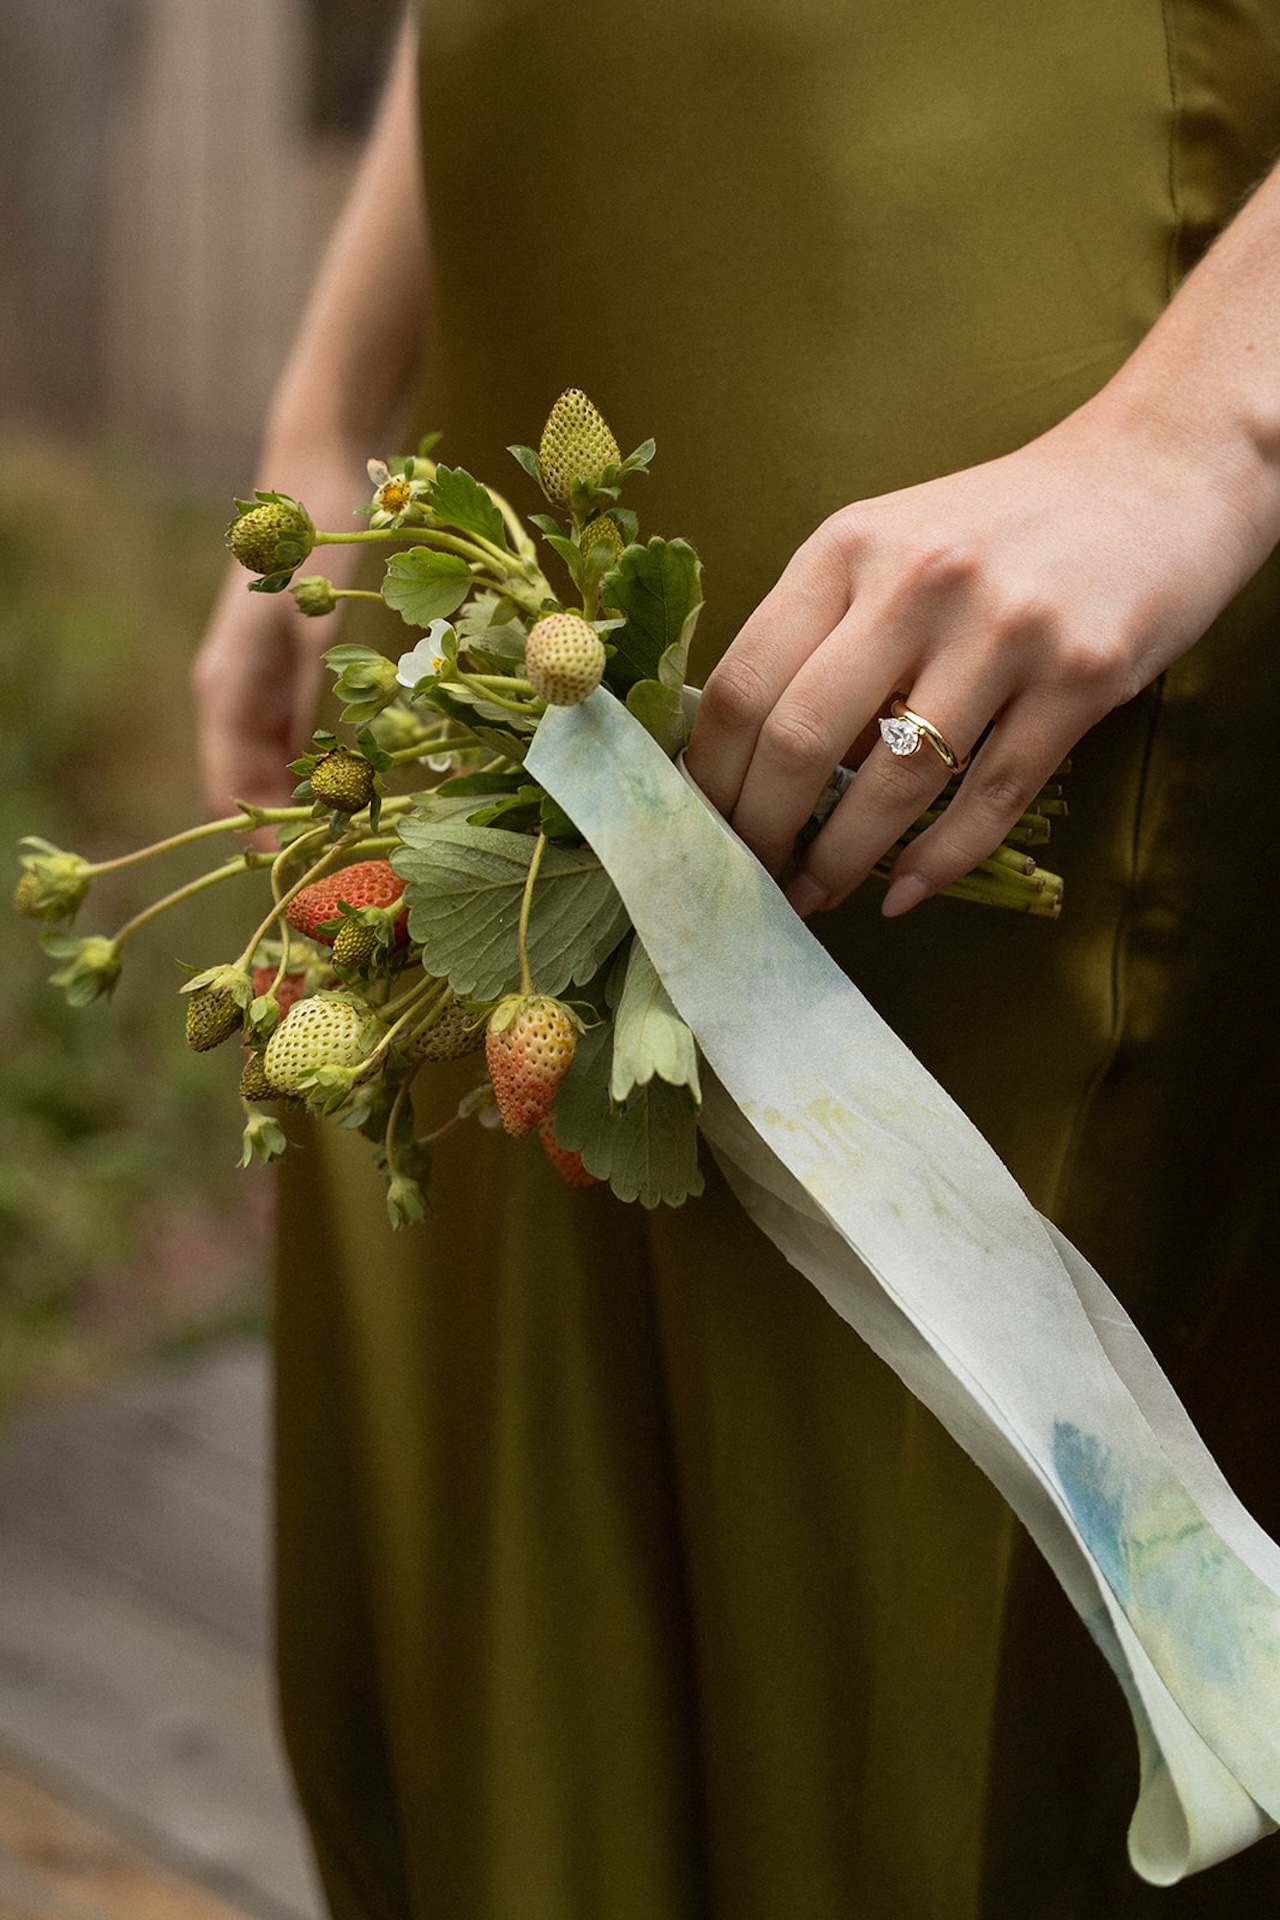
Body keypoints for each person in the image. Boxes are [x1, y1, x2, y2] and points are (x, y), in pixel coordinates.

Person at [195, 4, 1280, 1914]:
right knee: (498, 1513)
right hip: (526, 318)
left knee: (911, 1603)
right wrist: (329, 403)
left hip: (1017, 292)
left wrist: (1214, 426)